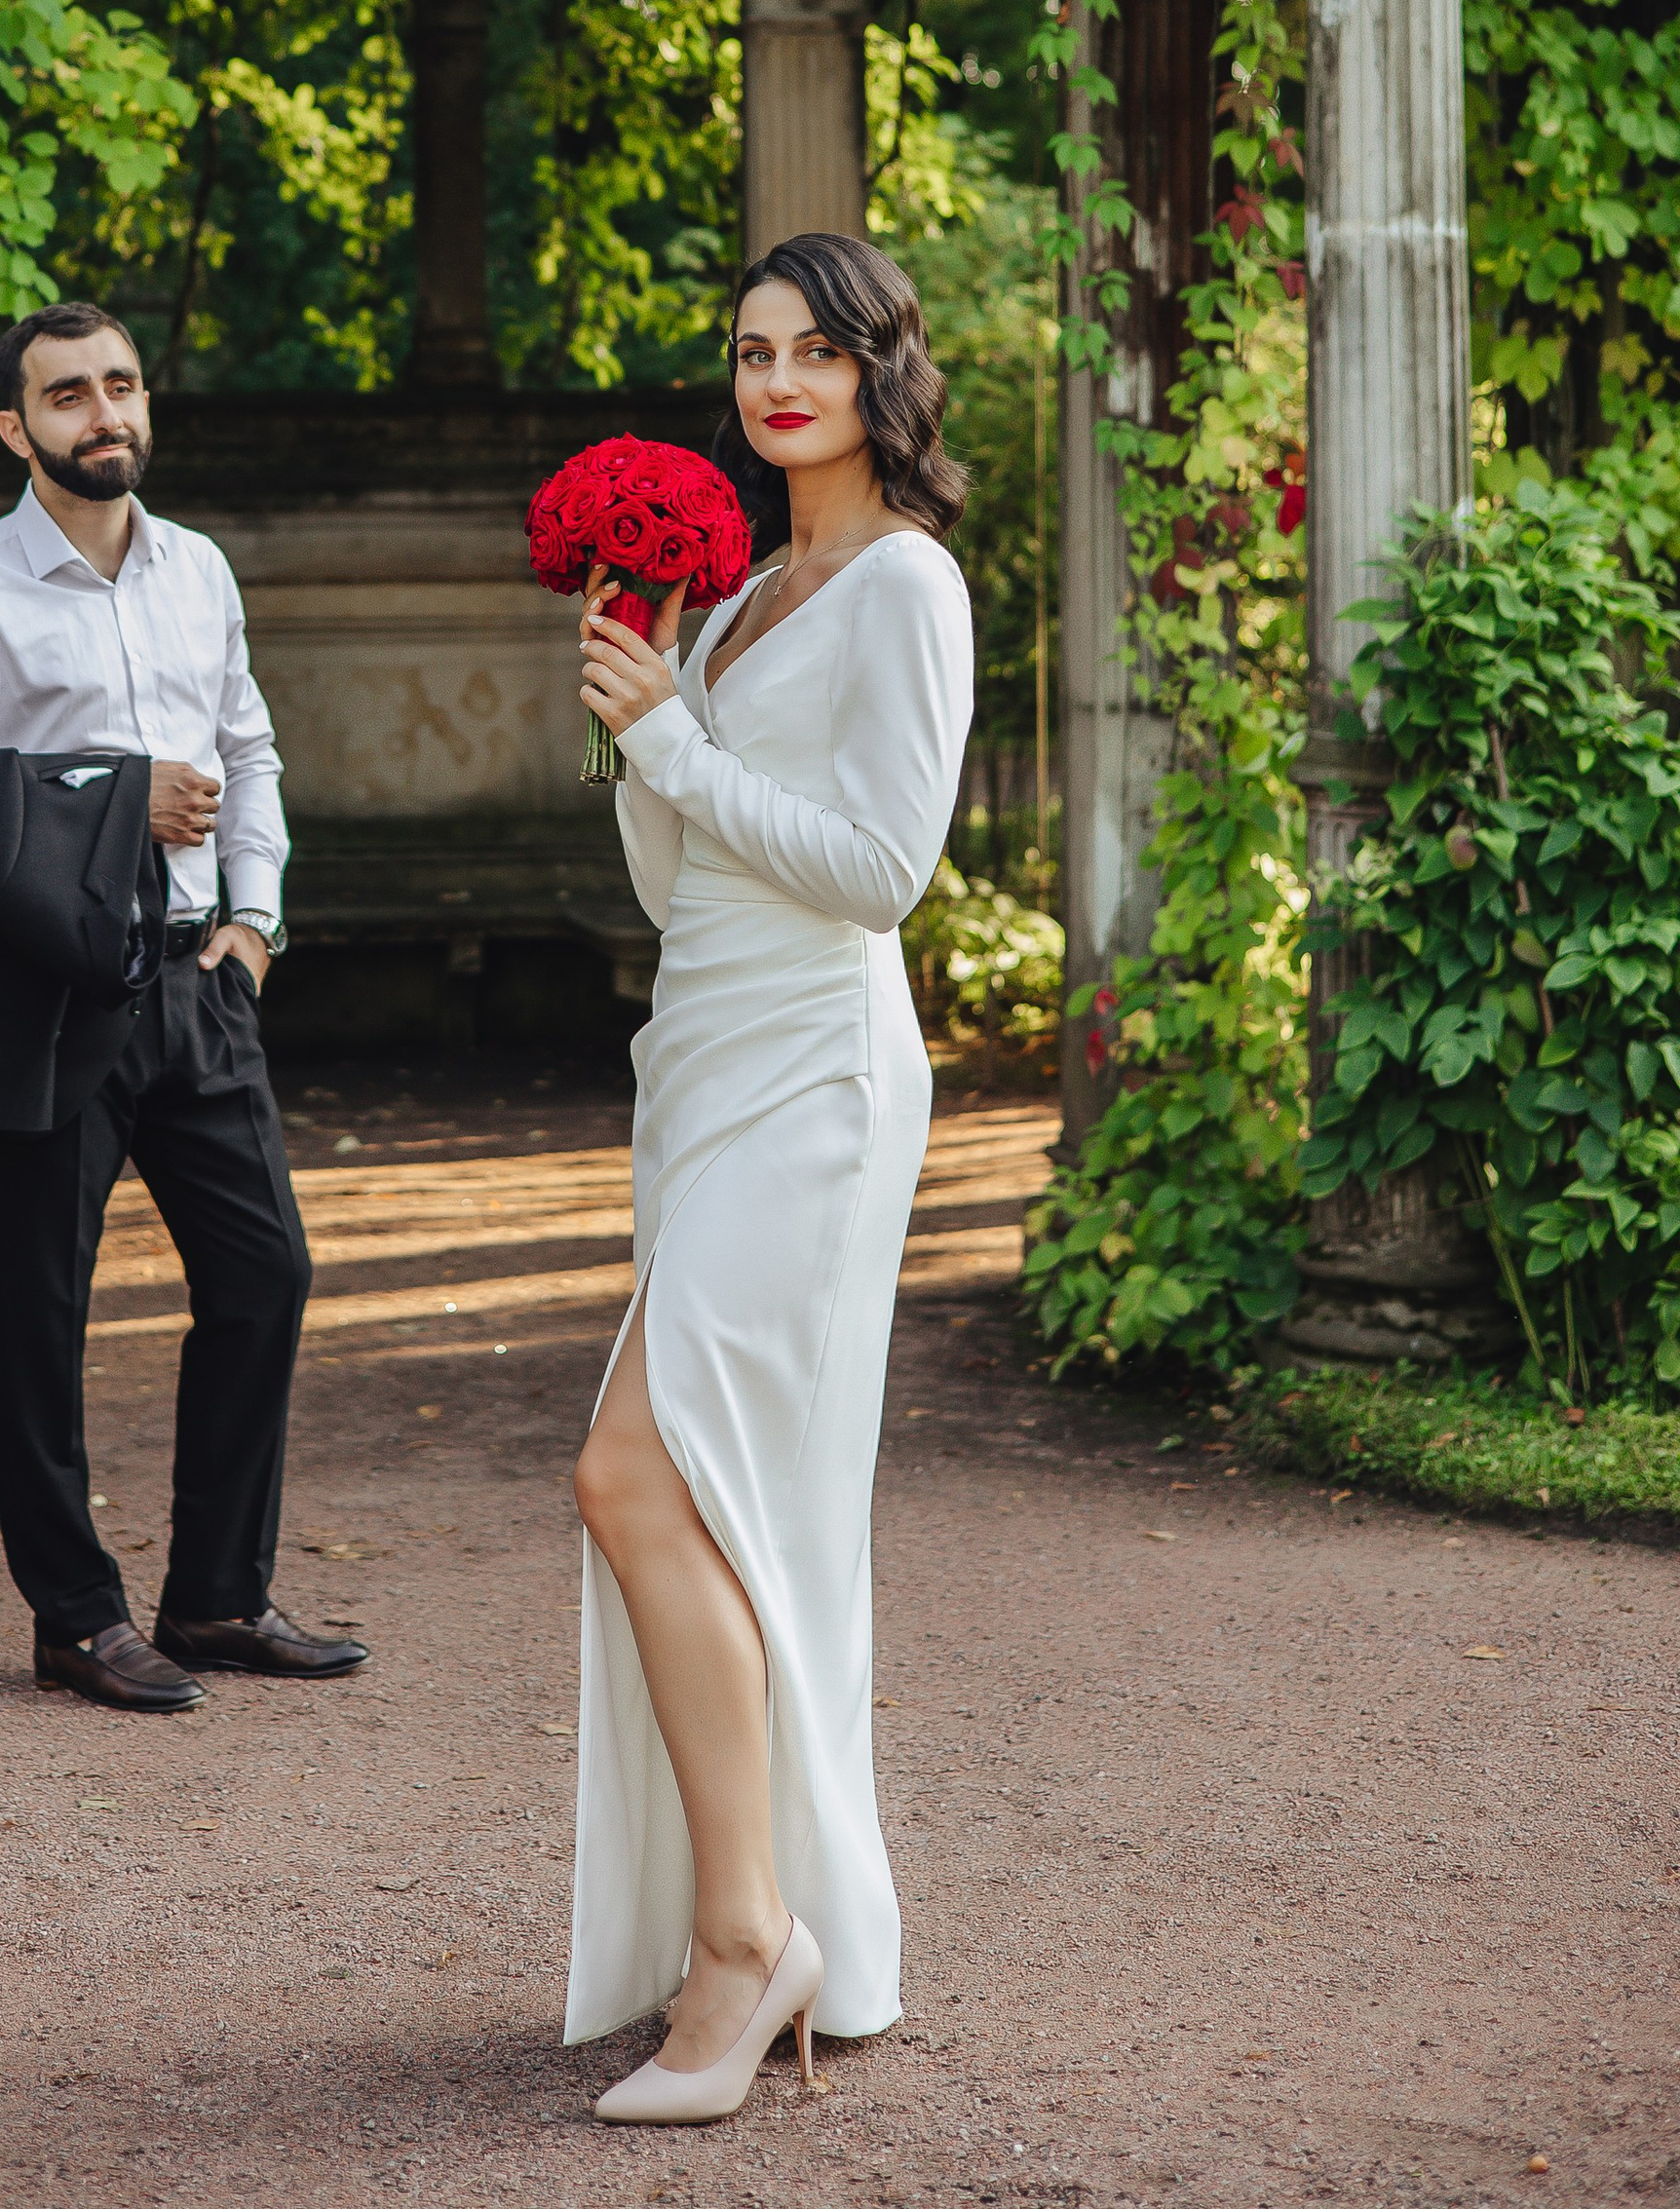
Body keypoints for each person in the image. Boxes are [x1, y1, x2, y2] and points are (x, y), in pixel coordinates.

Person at [563, 231, 973, 2121]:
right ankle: (775, 1919)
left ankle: (747, 1943)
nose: (776, 380)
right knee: (714, 1501)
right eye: (746, 351)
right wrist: (648, 732)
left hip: (817, 1069)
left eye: (815, 348)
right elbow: (682, 887)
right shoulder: (729, 603)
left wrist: (681, 752)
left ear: (879, 368)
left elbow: (879, 869)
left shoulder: (903, 586)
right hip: (699, 1055)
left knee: (631, 1469)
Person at [0, 299, 365, 1714]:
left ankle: (214, 1597)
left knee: (265, 1275)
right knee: (40, 1318)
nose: (106, 415)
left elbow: (250, 748)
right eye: (70, 395)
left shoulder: (197, 568)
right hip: (37, 996)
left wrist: (256, 923)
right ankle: (75, 1618)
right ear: (16, 427)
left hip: (196, 985)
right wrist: (110, 796)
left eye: (123, 386)